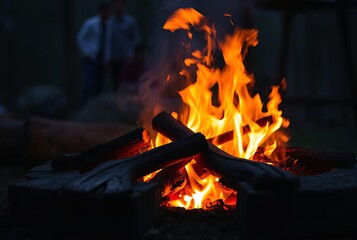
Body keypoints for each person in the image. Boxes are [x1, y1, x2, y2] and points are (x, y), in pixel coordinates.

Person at [77, 3, 110, 105]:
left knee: (99, 85)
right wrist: (87, 53)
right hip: (91, 58)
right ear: (100, 12)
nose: (106, 14)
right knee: (89, 83)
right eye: (104, 11)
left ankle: (96, 107)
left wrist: (108, 58)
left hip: (102, 59)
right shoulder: (91, 23)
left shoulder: (110, 25)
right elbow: (80, 38)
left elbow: (109, 43)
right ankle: (83, 106)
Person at [106, 0, 141, 91]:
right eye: (116, 4)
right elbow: (108, 40)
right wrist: (108, 56)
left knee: (127, 80)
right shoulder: (110, 22)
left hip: (127, 56)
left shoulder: (130, 21)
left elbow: (136, 38)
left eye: (120, 4)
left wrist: (133, 53)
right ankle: (117, 101)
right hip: (114, 56)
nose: (118, 7)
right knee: (115, 80)